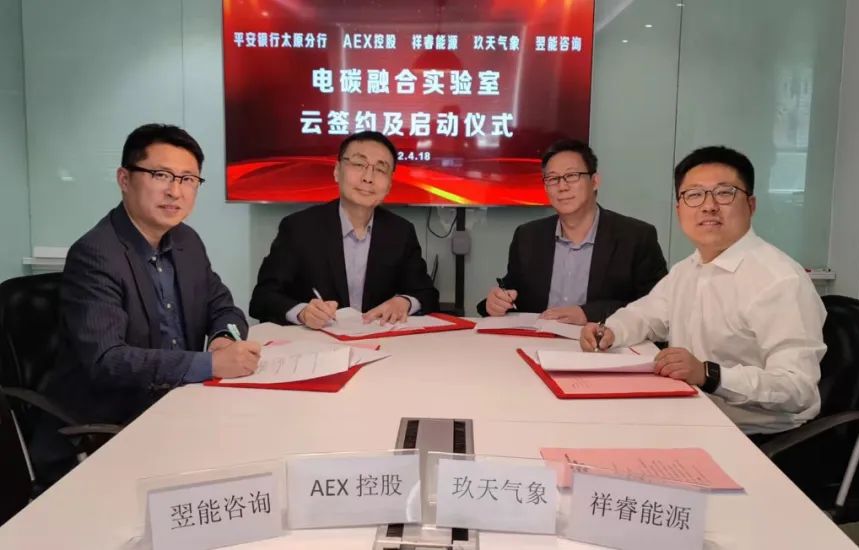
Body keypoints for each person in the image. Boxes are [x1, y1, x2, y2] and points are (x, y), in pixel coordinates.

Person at [34, 124, 260, 480]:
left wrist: (224, 338)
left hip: (179, 410)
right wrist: (208, 364)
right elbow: (108, 360)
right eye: (160, 175)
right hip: (109, 427)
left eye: (188, 179)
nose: (175, 191)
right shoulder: (96, 254)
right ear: (124, 179)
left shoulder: (186, 241)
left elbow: (225, 308)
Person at [580, 146, 826, 434]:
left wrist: (709, 375)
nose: (709, 206)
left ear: (751, 205)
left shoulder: (780, 280)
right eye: (694, 195)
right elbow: (646, 315)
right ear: (679, 210)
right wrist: (609, 330)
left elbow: (798, 387)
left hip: (755, 436)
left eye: (724, 193)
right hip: (690, 414)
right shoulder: (688, 269)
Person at [250, 131, 438, 328]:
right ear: (337, 171)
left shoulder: (400, 232)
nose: (368, 178)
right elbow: (262, 298)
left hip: (379, 341)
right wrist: (302, 313)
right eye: (359, 164)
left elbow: (427, 294)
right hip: (317, 341)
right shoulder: (299, 228)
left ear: (390, 183)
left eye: (381, 169)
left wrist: (404, 302)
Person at [478, 139, 667, 325]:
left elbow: (658, 308)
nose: (562, 187)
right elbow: (513, 296)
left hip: (603, 343)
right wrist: (496, 303)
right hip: (538, 341)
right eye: (553, 179)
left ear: (595, 181)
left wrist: (588, 314)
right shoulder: (528, 236)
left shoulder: (636, 237)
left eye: (572, 176)